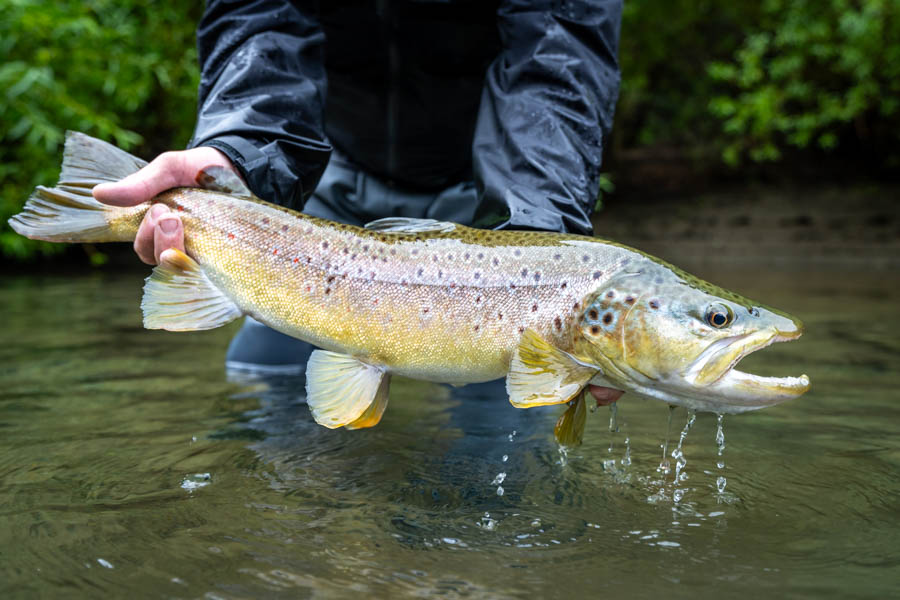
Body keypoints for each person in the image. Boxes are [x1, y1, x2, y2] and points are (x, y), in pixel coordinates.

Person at [93, 0, 622, 375]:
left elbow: (558, 51)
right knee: (262, 375)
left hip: (495, 204)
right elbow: (261, 16)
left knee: (510, 417)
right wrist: (239, 153)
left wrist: (542, 234)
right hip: (316, 184)